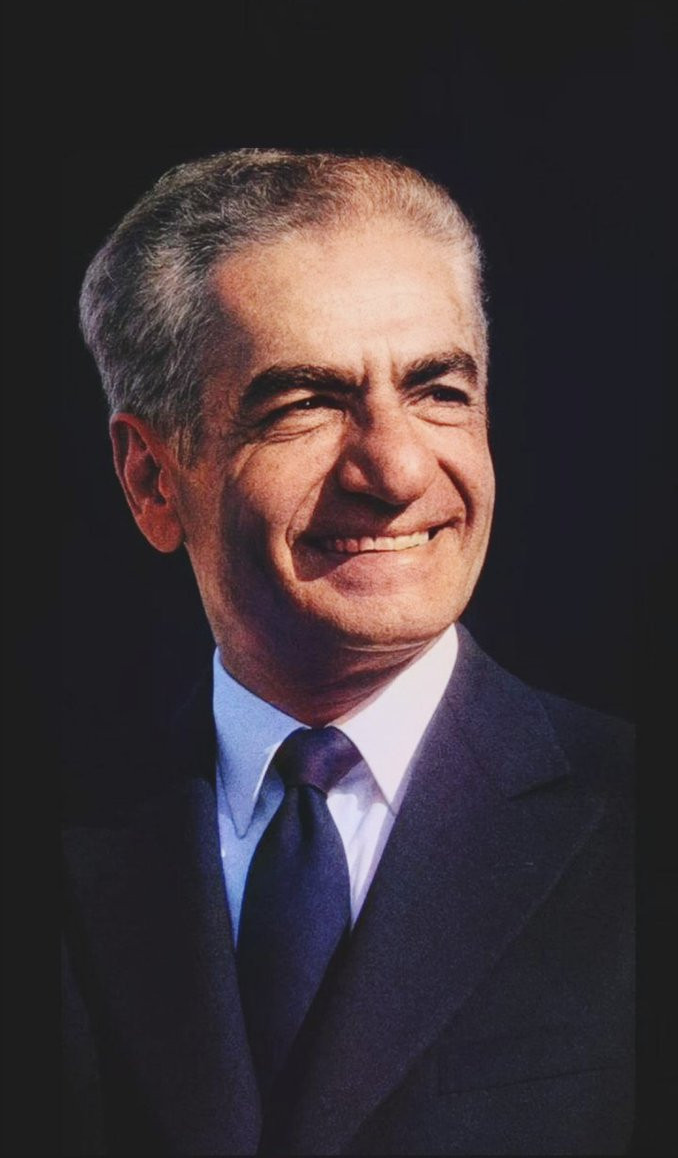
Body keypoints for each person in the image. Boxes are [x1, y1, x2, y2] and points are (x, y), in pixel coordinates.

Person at [62, 150, 634, 1156]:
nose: (397, 469)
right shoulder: (57, 836)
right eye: (306, 403)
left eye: (438, 390)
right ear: (153, 480)